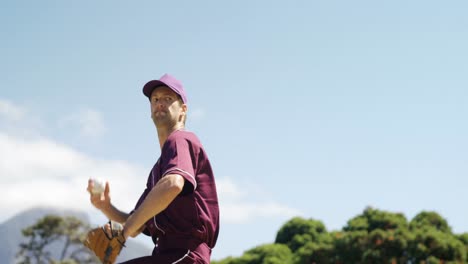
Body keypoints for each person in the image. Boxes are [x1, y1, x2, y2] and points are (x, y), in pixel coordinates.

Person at [87, 73, 220, 264]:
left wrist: (124, 232)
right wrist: (106, 207)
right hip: (167, 256)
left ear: (183, 110)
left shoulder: (181, 139)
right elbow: (138, 224)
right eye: (155, 99)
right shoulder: (159, 170)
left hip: (186, 255)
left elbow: (173, 184)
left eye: (168, 99)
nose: (160, 103)